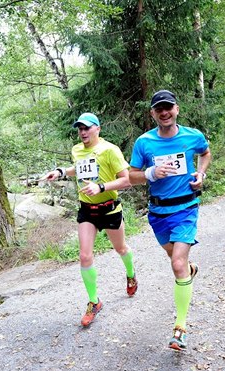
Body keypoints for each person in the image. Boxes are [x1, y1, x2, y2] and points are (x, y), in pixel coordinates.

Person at [129, 90, 212, 351]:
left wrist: (200, 173)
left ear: (176, 109)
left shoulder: (192, 136)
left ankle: (180, 328)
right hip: (158, 214)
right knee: (177, 260)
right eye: (159, 109)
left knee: (177, 264)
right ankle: (190, 270)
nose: (164, 112)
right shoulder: (144, 142)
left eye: (168, 107)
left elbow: (206, 153)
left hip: (186, 208)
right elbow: (132, 176)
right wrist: (151, 173)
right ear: (153, 113)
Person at [44, 112, 137, 328]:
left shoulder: (110, 150)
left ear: (97, 129)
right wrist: (59, 172)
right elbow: (78, 169)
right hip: (87, 210)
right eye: (80, 128)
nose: (82, 132)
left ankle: (131, 275)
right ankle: (94, 301)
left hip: (109, 209)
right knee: (85, 256)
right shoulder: (77, 150)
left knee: (121, 249)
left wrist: (101, 187)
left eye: (87, 128)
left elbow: (127, 180)